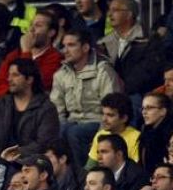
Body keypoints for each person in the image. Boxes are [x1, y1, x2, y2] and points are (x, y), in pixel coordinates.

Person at [50, 29, 122, 166]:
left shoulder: (103, 70)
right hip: (72, 122)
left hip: (97, 123)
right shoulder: (60, 74)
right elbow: (56, 109)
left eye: (71, 45)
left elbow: (113, 108)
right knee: (57, 131)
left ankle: (83, 175)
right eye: (64, 46)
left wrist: (101, 137)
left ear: (85, 47)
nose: (65, 50)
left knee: (74, 133)